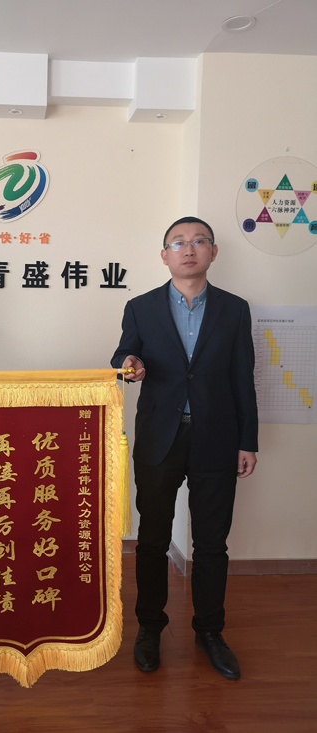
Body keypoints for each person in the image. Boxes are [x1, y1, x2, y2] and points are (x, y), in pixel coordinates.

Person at [111, 216, 258, 680]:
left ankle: (210, 631)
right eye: (178, 242)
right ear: (164, 255)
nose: (188, 249)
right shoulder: (141, 307)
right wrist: (128, 363)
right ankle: (150, 627)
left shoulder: (234, 309)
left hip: (217, 437)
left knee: (211, 543)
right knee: (153, 539)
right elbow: (123, 355)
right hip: (160, 437)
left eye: (199, 241)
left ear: (213, 251)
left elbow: (243, 377)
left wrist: (248, 441)